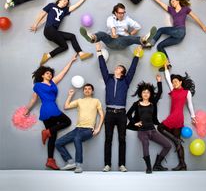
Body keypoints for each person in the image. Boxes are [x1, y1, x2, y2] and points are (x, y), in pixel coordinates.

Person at [96, 42, 143, 172]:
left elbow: (132, 69)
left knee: (122, 139)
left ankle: (122, 164)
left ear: (122, 72)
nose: (115, 68)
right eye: (116, 67)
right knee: (108, 139)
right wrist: (99, 52)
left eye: (118, 68)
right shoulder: (108, 79)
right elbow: (102, 67)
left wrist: (137, 56)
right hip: (110, 113)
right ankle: (107, 165)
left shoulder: (126, 81)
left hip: (122, 114)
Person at [24, 55, 77, 170]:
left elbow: (63, 72)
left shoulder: (53, 82)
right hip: (50, 108)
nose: (50, 75)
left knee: (52, 137)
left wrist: (71, 61)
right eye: (47, 73)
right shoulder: (37, 85)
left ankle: (50, 160)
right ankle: (47, 132)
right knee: (67, 122)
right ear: (42, 75)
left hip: (48, 109)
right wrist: (27, 110)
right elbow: (33, 99)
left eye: (50, 73)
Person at [147, 0, 206, 70]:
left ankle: (150, 44)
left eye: (173, 1)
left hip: (180, 30)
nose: (172, 4)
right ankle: (167, 63)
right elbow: (160, 3)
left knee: (160, 30)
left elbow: (195, 17)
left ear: (178, 1)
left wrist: (203, 26)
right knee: (160, 46)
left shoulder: (185, 9)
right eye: (171, 3)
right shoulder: (171, 10)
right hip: (178, 38)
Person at [30, 0, 93, 65]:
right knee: (64, 43)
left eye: (66, 3)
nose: (65, 3)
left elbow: (75, 6)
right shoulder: (51, 5)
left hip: (54, 32)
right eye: (64, 1)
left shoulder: (65, 10)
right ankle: (48, 55)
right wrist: (36, 24)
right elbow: (42, 14)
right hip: (48, 30)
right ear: (59, 0)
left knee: (70, 39)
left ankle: (80, 54)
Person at [127, 76, 172, 174]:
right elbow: (128, 114)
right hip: (142, 132)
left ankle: (157, 164)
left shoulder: (153, 103)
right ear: (141, 94)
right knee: (145, 145)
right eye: (144, 92)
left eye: (147, 92)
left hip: (152, 130)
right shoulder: (137, 104)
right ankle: (148, 167)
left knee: (168, 145)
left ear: (150, 94)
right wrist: (135, 123)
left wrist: (159, 81)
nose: (146, 94)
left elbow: (159, 93)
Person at [55, 83, 104, 173]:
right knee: (58, 143)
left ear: (92, 91)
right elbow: (66, 107)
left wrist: (98, 128)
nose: (87, 90)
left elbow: (101, 115)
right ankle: (70, 162)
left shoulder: (96, 101)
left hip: (88, 129)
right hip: (77, 129)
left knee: (77, 138)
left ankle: (78, 165)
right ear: (83, 91)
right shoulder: (79, 100)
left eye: (89, 89)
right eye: (85, 89)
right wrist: (70, 95)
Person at [157, 64, 196, 171]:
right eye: (173, 82)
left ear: (180, 82)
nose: (174, 83)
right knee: (177, 142)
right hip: (176, 117)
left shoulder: (186, 92)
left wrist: (193, 116)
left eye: (176, 82)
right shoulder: (173, 90)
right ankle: (183, 165)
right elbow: (168, 79)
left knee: (160, 128)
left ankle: (177, 141)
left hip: (176, 116)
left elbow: (190, 104)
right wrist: (165, 69)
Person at [80, 3, 157, 50]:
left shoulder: (127, 19)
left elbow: (138, 27)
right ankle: (92, 38)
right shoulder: (110, 18)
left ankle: (144, 40)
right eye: (120, 13)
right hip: (111, 41)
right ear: (115, 13)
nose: (122, 15)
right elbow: (112, 26)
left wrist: (130, 33)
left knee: (130, 38)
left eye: (123, 12)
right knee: (102, 34)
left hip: (123, 42)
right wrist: (113, 34)